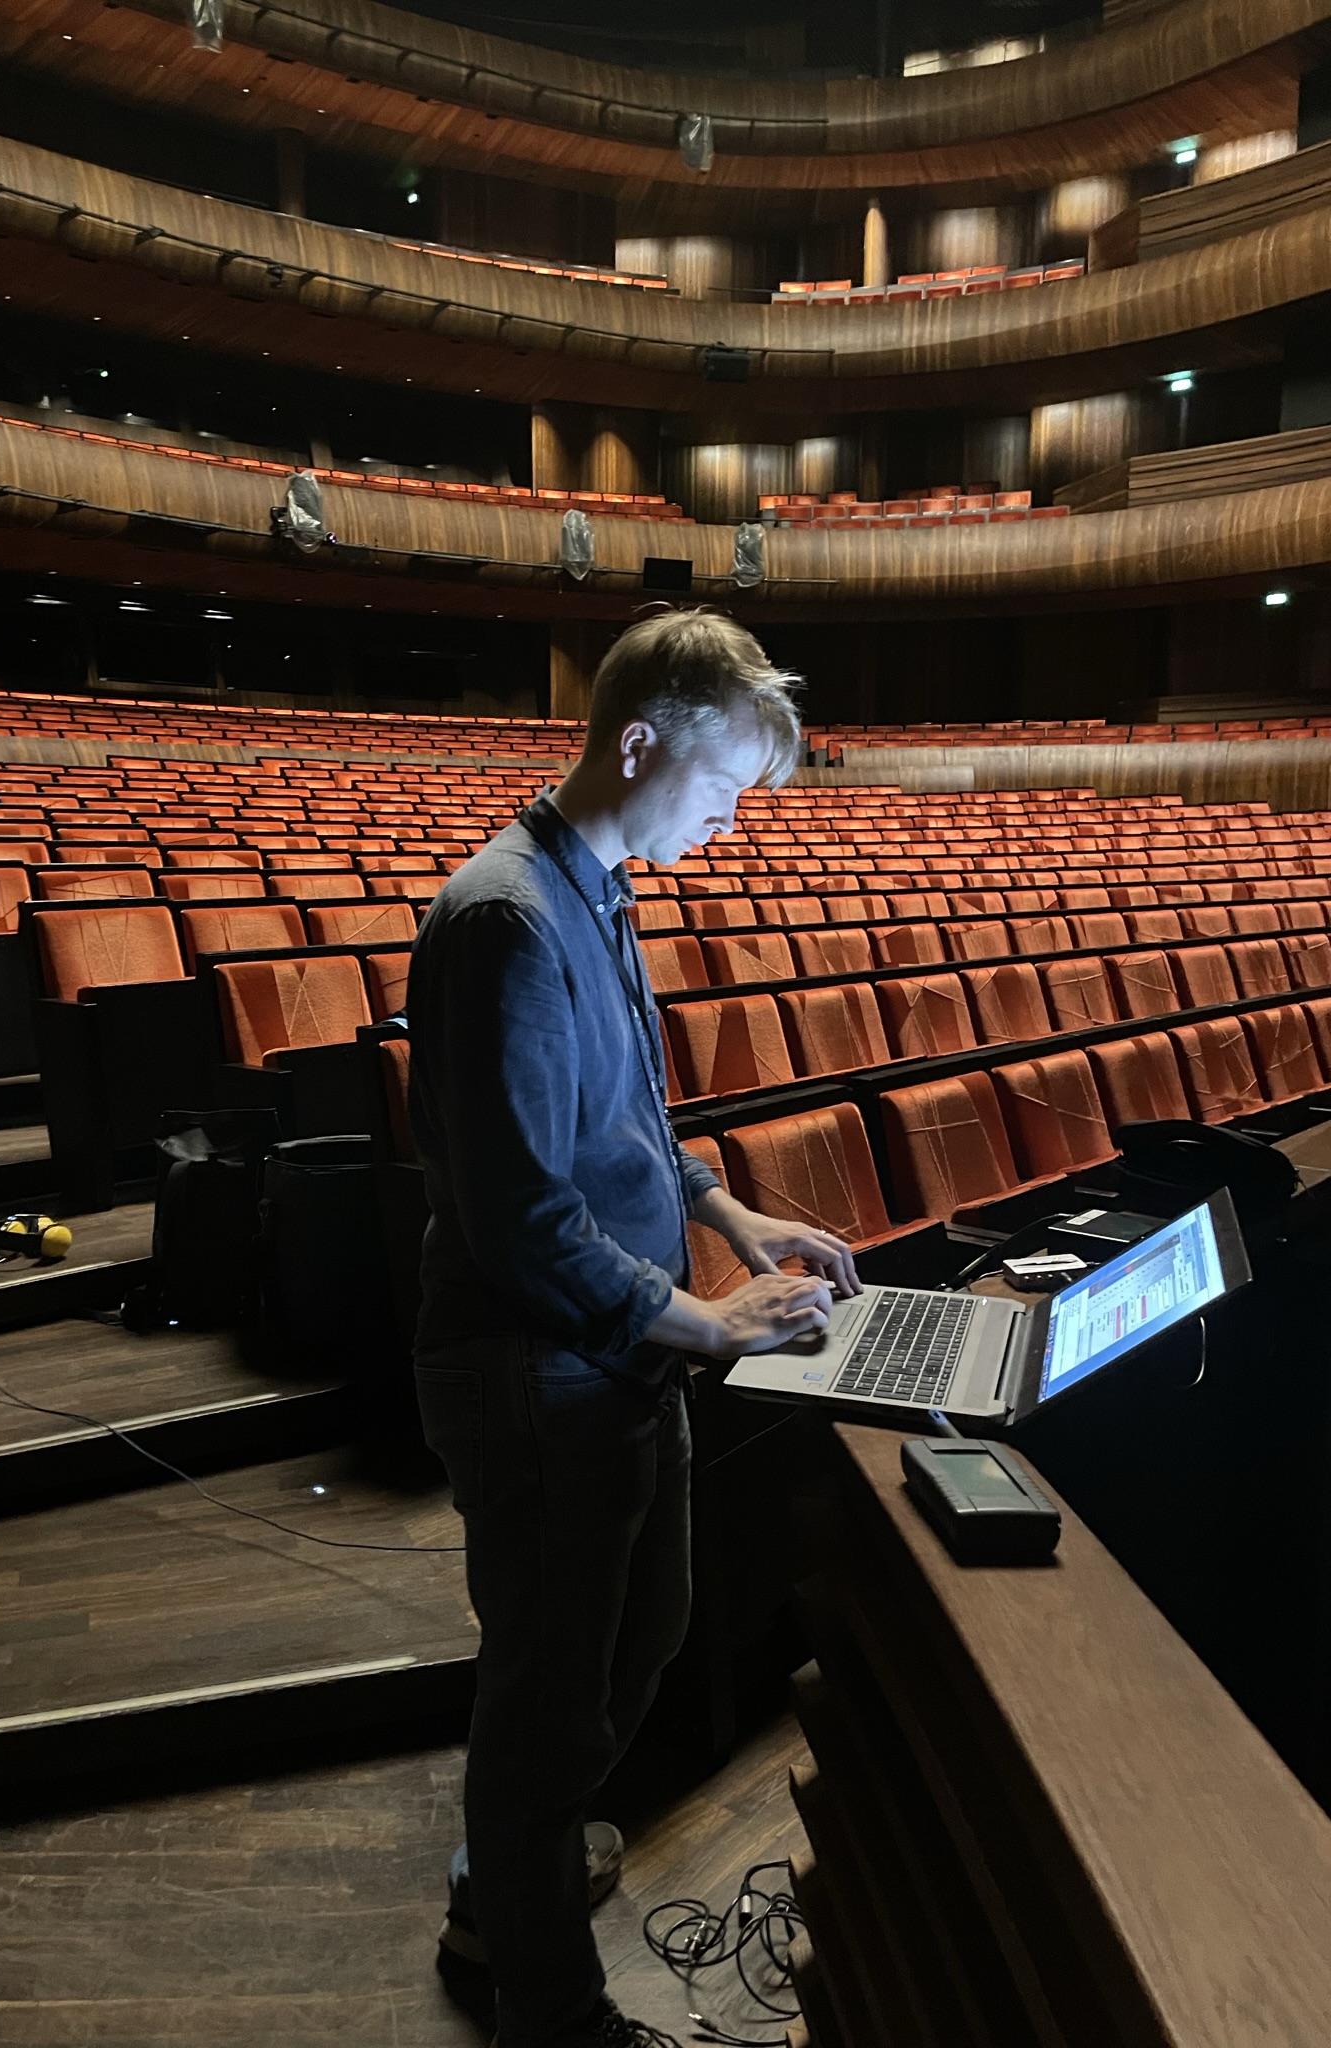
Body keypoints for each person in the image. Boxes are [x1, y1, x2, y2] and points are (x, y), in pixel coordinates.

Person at [406, 608, 862, 2048]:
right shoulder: (506, 920)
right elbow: (528, 1220)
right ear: (640, 739)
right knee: (547, 1704)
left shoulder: (599, 892)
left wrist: (734, 1220)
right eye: (722, 792)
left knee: (641, 1643)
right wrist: (717, 1331)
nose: (729, 826)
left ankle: (518, 1860)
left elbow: (628, 1136)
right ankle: (543, 1992)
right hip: (534, 1376)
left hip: (624, 1356)